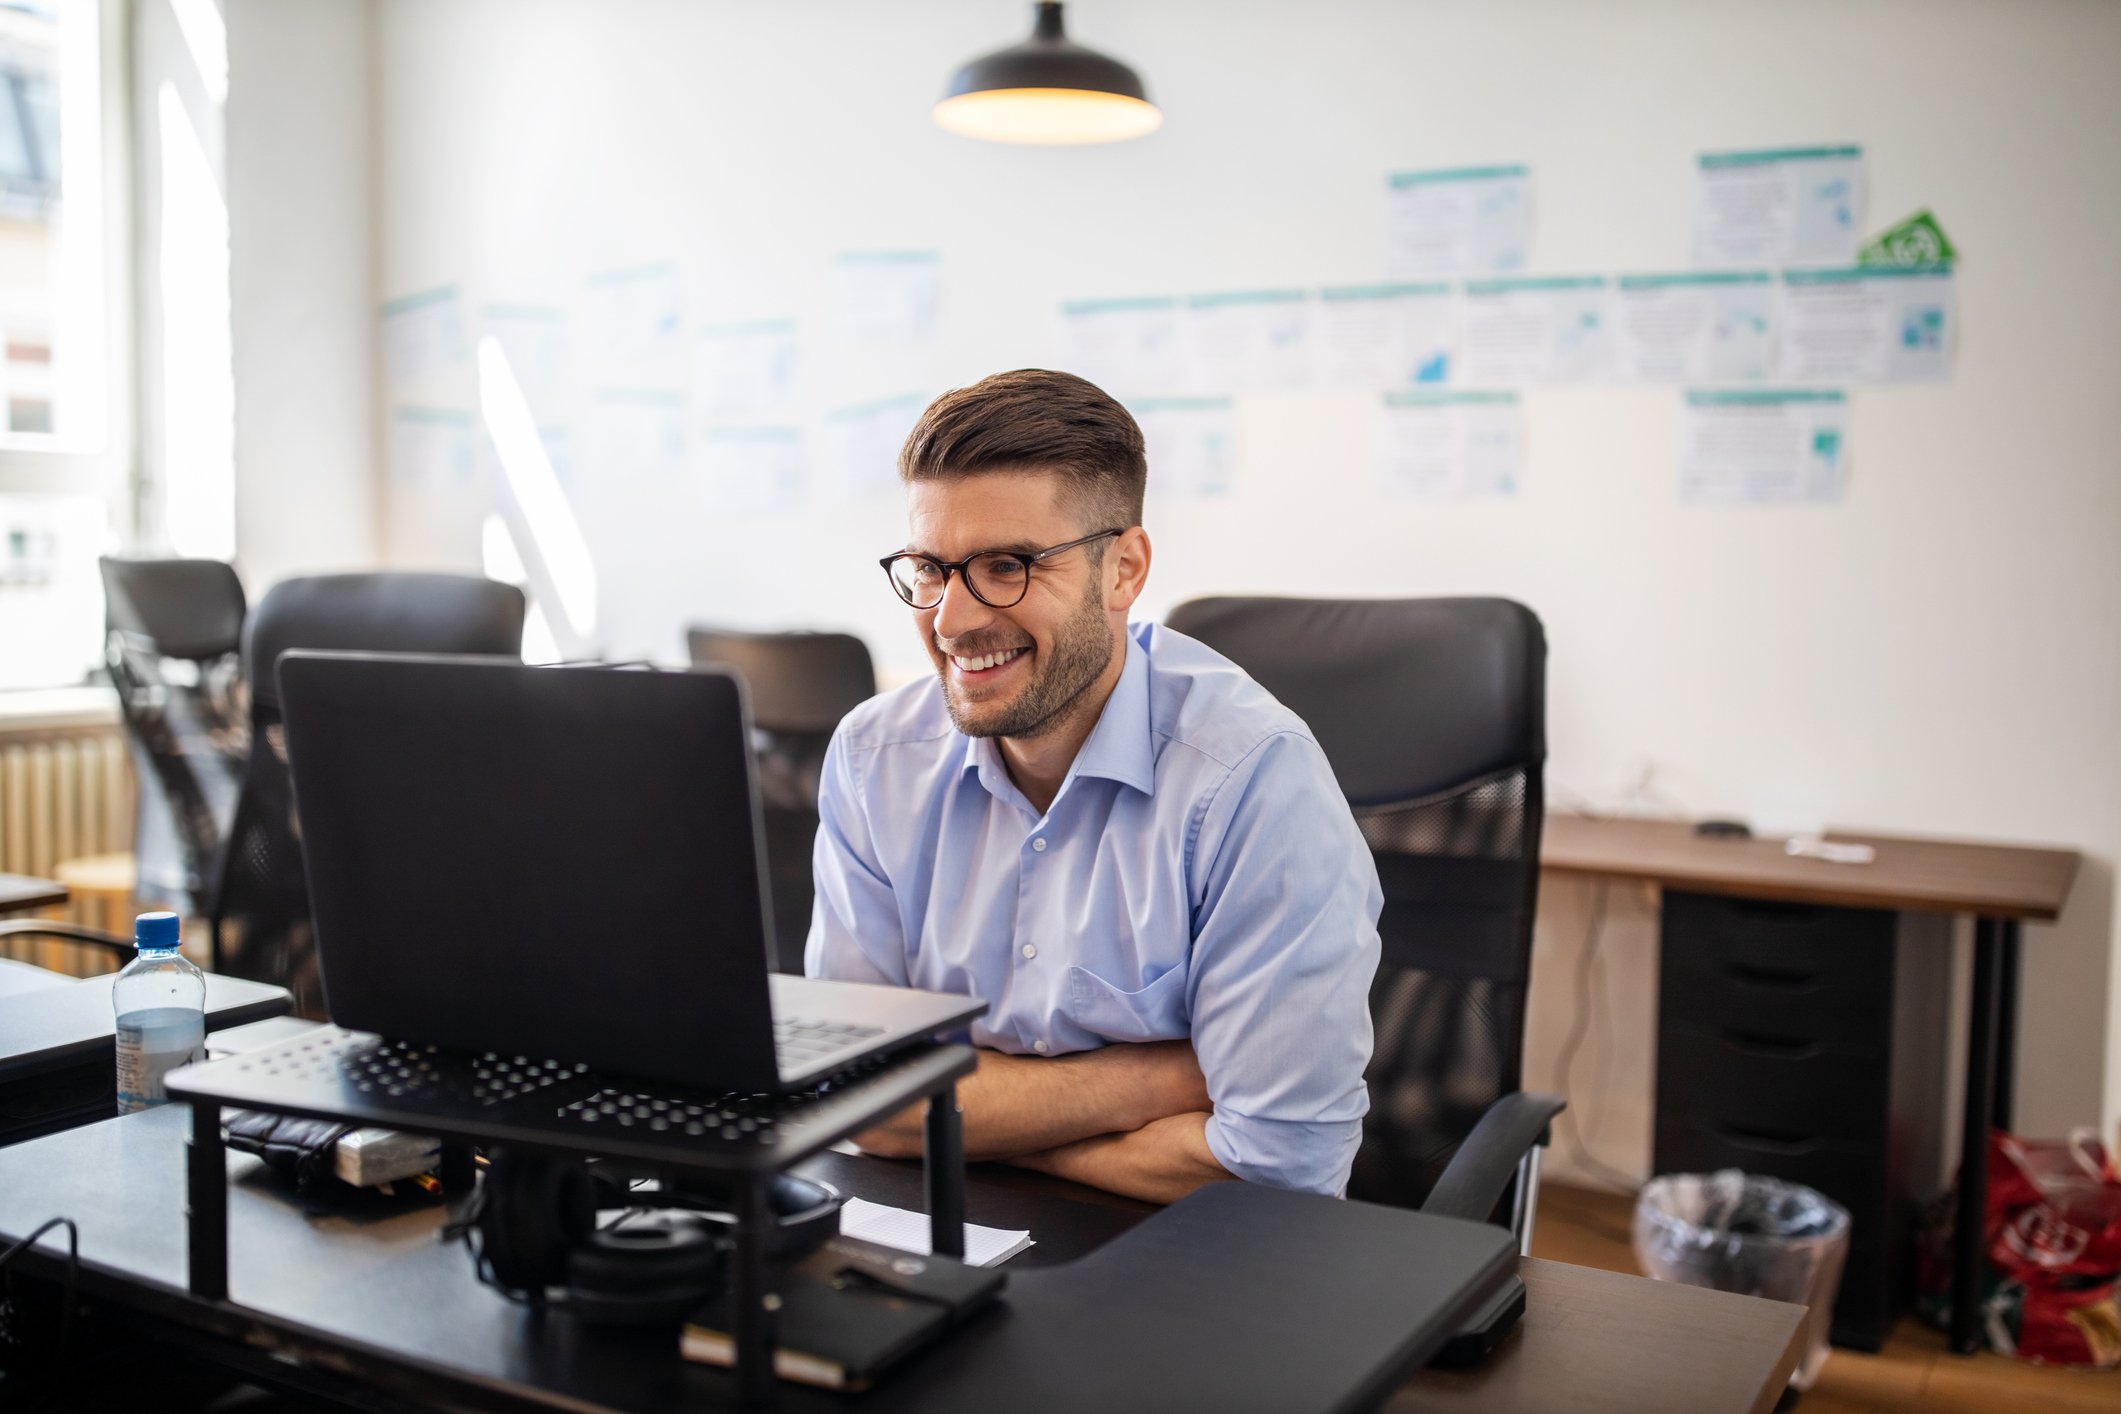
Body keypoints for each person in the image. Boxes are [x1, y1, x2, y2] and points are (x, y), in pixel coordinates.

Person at [806, 369, 1381, 1203]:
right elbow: (856, 1100)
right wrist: (1150, 1085)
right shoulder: (875, 759)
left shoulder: (1250, 781)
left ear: (1123, 570)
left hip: (1193, 1270)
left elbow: (1277, 1166)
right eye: (931, 569)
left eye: (1007, 565)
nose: (953, 621)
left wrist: (973, 1132)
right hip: (949, 1238)